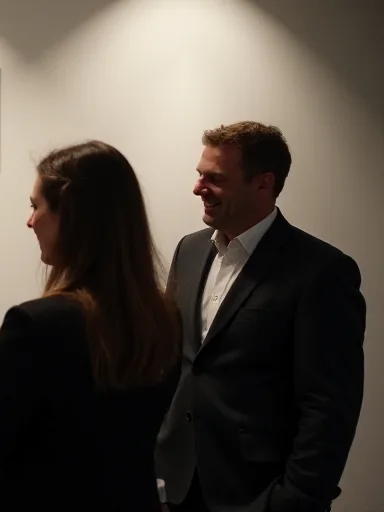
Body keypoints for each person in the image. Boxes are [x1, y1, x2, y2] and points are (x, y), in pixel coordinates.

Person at [0, 140, 182, 511]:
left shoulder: (35, 324)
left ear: (69, 214)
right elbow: (83, 421)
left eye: (36, 206)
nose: (30, 220)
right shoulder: (163, 317)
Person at [155, 121, 365, 512]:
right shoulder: (190, 249)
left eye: (215, 179)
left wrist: (295, 499)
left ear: (263, 183)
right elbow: (173, 364)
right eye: (200, 175)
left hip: (257, 494)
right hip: (177, 486)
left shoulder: (321, 271)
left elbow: (329, 406)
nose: (199, 188)